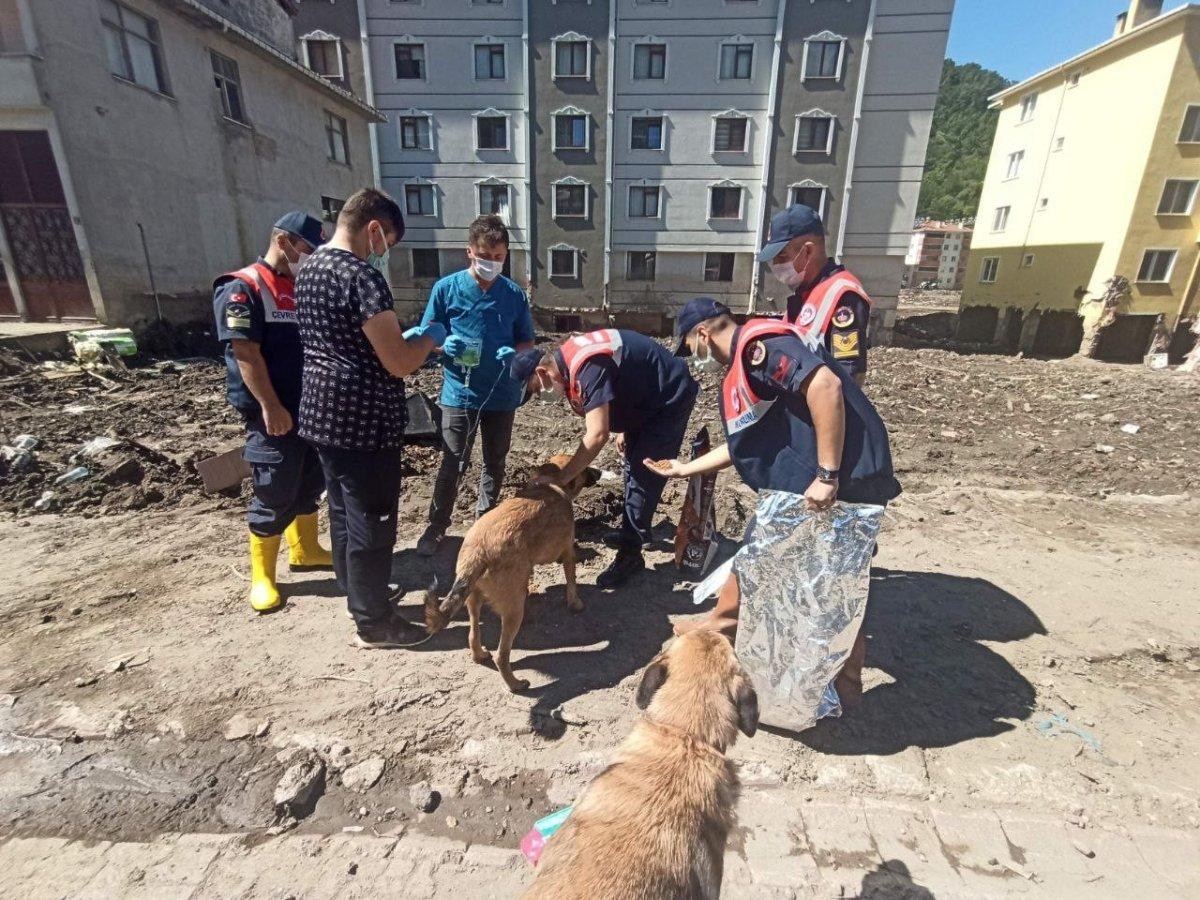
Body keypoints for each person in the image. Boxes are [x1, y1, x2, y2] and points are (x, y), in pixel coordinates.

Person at [649, 298, 901, 705]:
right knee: (759, 560)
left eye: (690, 349)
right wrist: (685, 469)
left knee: (835, 587)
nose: (694, 360)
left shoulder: (757, 348)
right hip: (803, 489)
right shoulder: (743, 367)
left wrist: (827, 474)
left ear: (702, 334)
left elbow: (825, 385)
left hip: (842, 483)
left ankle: (844, 686)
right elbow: (743, 443)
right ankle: (725, 629)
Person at [294, 188, 446, 649]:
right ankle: (375, 622)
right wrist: (430, 338)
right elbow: (398, 361)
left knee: (342, 511)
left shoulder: (309, 269)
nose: (384, 254)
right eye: (388, 244)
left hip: (321, 412)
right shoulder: (361, 278)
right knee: (374, 522)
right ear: (373, 229)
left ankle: (357, 595)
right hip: (363, 417)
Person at [508, 327, 698, 588]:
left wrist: (563, 477)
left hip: (668, 396)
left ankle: (630, 555)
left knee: (645, 472)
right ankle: (631, 530)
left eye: (536, 390)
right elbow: (619, 382)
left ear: (542, 373)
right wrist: (625, 426)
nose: (540, 396)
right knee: (631, 463)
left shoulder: (587, 367)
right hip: (644, 395)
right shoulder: (570, 361)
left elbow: (597, 434)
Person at [213, 211, 332, 613]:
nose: (310, 257)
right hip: (275, 413)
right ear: (283, 241)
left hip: (311, 408)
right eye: (307, 249)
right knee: (275, 487)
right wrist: (270, 406)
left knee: (310, 481)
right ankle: (263, 576)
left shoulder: (299, 287)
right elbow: (245, 353)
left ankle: (306, 550)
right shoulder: (242, 288)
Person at [416, 215, 536, 557]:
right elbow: (428, 335)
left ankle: (485, 522)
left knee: (495, 461)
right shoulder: (446, 289)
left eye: (499, 257)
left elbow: (527, 342)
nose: (492, 264)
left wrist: (514, 355)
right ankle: (437, 526)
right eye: (485, 256)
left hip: (502, 394)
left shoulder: (513, 295)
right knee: (453, 461)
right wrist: (444, 344)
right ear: (470, 251)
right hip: (459, 393)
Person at [759, 203, 872, 385]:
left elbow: (849, 377)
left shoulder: (843, 295)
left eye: (782, 256)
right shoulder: (806, 292)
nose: (776, 264)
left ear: (808, 251)